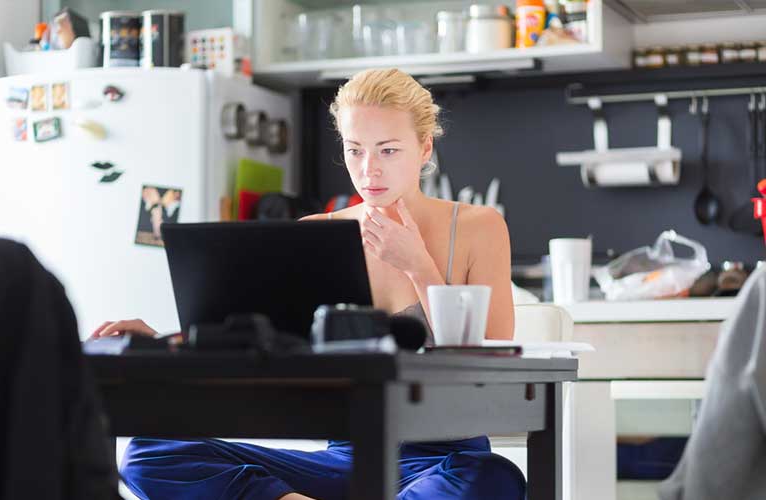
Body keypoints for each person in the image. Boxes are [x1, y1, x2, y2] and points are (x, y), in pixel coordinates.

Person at [92, 68, 521, 500]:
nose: (369, 170)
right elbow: (259, 340)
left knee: (494, 476)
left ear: (424, 146)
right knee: (150, 453)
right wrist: (158, 344)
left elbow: (497, 364)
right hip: (346, 458)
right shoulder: (318, 232)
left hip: (447, 459)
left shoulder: (478, 227)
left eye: (388, 150)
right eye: (354, 150)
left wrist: (419, 266)